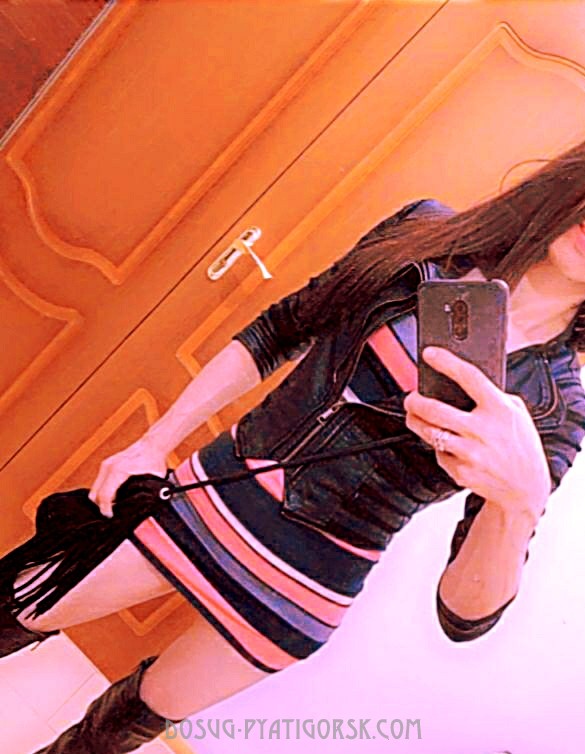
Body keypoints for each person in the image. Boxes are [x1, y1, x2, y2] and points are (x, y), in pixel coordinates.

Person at [2, 140, 585, 754]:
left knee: (109, 736)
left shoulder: (557, 408)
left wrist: (519, 502)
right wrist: (154, 443)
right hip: (208, 497)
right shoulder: (425, 235)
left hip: (302, 591)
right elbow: (280, 330)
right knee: (20, 606)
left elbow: (463, 616)